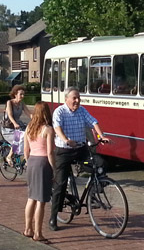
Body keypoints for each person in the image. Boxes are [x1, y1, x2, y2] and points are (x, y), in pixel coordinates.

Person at [49, 88, 110, 231]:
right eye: (74, 98)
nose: (77, 101)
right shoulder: (59, 112)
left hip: (81, 150)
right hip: (64, 151)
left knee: (100, 165)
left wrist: (101, 136)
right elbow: (57, 128)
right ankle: (53, 217)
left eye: (78, 98)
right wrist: (66, 140)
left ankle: (93, 194)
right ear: (66, 99)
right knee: (61, 183)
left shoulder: (82, 110)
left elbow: (93, 122)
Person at [21, 102, 55, 244]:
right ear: (47, 113)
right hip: (43, 163)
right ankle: (38, 233)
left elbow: (25, 150)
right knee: (41, 201)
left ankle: (28, 229)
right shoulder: (48, 130)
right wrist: (54, 169)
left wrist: (28, 162)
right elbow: (50, 152)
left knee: (31, 198)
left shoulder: (29, 127)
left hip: (32, 162)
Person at [4, 85, 32, 164]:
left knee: (30, 136)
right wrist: (15, 123)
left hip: (18, 125)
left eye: (23, 94)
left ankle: (25, 155)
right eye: (21, 94)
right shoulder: (9, 102)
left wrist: (37, 120)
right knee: (17, 139)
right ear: (15, 94)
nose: (22, 96)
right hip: (9, 126)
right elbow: (10, 115)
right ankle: (9, 156)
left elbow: (29, 114)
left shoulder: (22, 104)